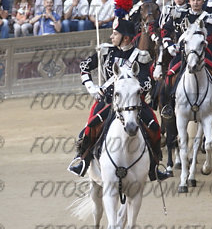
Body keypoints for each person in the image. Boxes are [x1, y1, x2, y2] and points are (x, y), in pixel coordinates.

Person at [67, 16, 167, 181]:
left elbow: (147, 82)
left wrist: (132, 89)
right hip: (108, 101)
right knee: (90, 127)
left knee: (154, 127)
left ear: (126, 37)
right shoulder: (106, 51)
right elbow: (84, 66)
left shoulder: (140, 57)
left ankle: (155, 165)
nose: (112, 37)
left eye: (115, 33)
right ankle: (82, 160)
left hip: (134, 103)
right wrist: (91, 86)